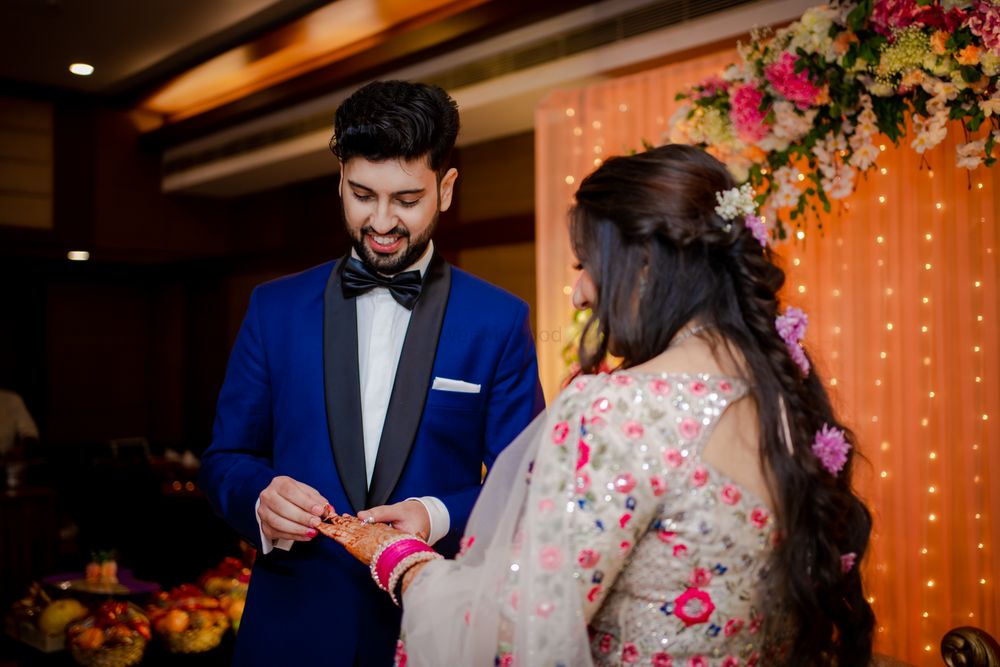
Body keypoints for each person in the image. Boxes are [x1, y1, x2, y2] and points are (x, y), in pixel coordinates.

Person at [320, 144, 876, 666]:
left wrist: (401, 562)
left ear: (645, 266)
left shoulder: (619, 408)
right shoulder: (785, 399)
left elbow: (516, 635)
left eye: (586, 264)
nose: (579, 291)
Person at [199, 80, 545, 666]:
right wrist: (258, 498)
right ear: (339, 181)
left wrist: (435, 516)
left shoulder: (498, 321)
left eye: (407, 200)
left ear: (447, 189)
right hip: (291, 630)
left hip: (429, 628)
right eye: (362, 195)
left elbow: (528, 482)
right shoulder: (273, 308)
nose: (381, 222)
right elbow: (224, 458)